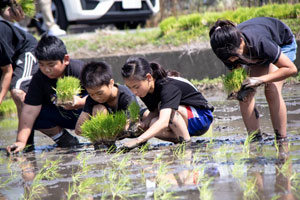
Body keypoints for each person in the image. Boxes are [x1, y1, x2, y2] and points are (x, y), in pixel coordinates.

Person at [209, 17, 298, 141]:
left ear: (241, 41)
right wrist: (235, 89)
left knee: (271, 89)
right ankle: (255, 140)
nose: (232, 60)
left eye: (235, 56)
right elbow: (235, 71)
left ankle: (282, 139)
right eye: (228, 58)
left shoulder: (259, 41)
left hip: (282, 44)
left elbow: (291, 69)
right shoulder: (225, 50)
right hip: (256, 55)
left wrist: (259, 80)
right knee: (244, 93)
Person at [6, 35, 86, 154]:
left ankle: (102, 140)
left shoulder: (80, 70)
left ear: (66, 59)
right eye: (42, 65)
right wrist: (21, 142)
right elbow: (29, 111)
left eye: (51, 65)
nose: (46, 70)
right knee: (34, 117)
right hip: (62, 115)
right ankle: (65, 139)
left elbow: (101, 96)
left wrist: (80, 103)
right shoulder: (39, 78)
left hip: (85, 114)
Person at [120, 57, 214, 150]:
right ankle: (179, 140)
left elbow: (164, 121)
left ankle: (186, 143)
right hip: (184, 117)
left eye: (136, 87)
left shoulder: (168, 86)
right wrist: (144, 124)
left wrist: (138, 140)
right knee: (149, 119)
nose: (133, 92)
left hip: (201, 117)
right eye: (129, 88)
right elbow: (154, 111)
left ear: (148, 77)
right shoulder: (145, 91)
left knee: (167, 114)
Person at [75, 61, 139, 136]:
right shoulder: (91, 99)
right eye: (91, 94)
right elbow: (79, 129)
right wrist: (96, 134)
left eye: (100, 93)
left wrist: (106, 129)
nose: (96, 97)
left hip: (131, 132)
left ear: (111, 83)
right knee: (98, 109)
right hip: (109, 134)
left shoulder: (126, 96)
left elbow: (128, 124)